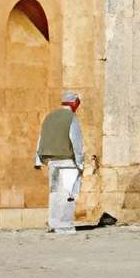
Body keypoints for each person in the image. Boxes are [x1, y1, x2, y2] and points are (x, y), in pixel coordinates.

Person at [34, 91, 87, 234]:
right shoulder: (71, 118)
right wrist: (80, 162)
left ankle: (53, 223)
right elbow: (76, 141)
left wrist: (38, 160)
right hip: (67, 161)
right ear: (75, 103)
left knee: (55, 193)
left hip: (51, 161)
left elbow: (41, 138)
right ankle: (64, 225)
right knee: (68, 194)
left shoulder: (49, 117)